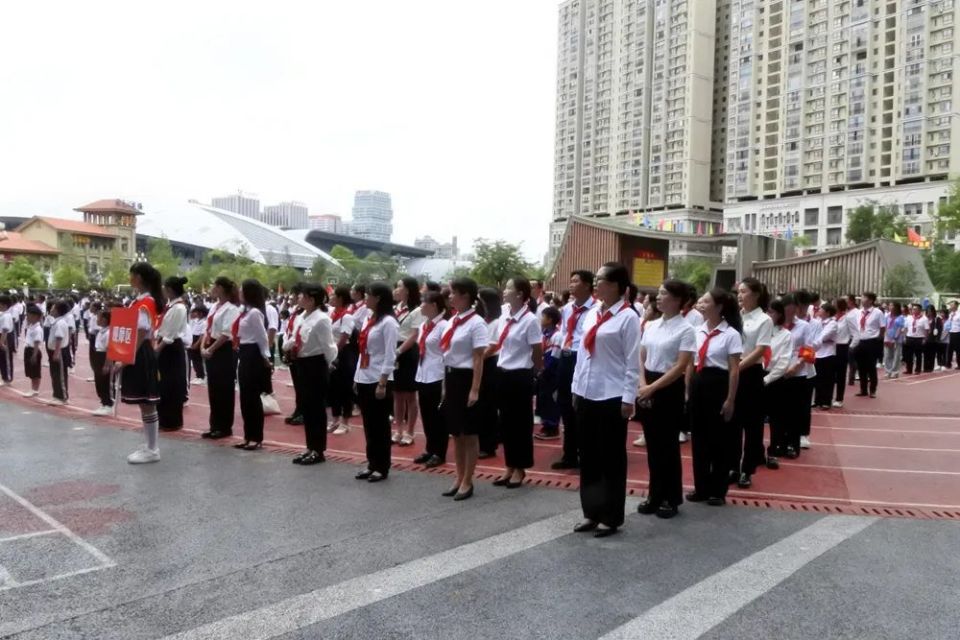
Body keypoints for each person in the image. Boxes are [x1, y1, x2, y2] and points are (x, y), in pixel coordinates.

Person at [570, 262, 640, 537]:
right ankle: (591, 511)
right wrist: (576, 388)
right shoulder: (592, 315)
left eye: (600, 280)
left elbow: (632, 361)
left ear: (615, 286)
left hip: (611, 395)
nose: (595, 284)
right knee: (588, 456)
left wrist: (628, 397)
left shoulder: (628, 317)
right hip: (587, 391)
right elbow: (581, 355)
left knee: (610, 458)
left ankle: (610, 516)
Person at [636, 279, 696, 517]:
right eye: (658, 294)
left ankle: (671, 497)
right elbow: (641, 356)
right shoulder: (651, 326)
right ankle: (654, 494)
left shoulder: (686, 329)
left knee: (668, 446)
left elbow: (681, 365)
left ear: (678, 300)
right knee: (652, 444)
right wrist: (643, 385)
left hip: (669, 387)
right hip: (648, 382)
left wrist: (652, 388)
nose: (657, 298)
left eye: (663, 294)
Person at [686, 288, 742, 507]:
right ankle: (701, 487)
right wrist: (688, 389)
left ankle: (718, 490)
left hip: (719, 384)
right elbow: (690, 362)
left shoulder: (731, 334)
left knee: (719, 439)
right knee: (699, 439)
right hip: (699, 383)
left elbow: (734, 370)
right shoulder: (697, 330)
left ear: (719, 307)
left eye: (706, 301)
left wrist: (730, 399)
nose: (701, 303)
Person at [489, 277, 543, 489]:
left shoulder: (530, 320)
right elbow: (498, 344)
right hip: (502, 373)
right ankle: (509, 466)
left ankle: (520, 468)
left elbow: (537, 350)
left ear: (520, 294)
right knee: (506, 423)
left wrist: (537, 370)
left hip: (520, 375)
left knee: (521, 424)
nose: (505, 291)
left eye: (509, 288)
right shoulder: (505, 316)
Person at [439, 277, 489, 500]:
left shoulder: (477, 323)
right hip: (451, 378)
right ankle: (458, 477)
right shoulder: (453, 320)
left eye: (453, 293)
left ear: (465, 295)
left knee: (469, 433)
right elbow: (447, 355)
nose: (449, 297)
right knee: (455, 433)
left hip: (467, 378)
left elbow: (478, 357)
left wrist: (475, 389)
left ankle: (468, 480)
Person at [546, 270, 597, 470]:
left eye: (576, 281)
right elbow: (566, 333)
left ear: (587, 285)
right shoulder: (567, 308)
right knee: (565, 407)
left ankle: (585, 455)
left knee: (582, 408)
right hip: (567, 358)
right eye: (571, 280)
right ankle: (569, 455)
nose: (572, 284)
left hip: (583, 358)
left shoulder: (596, 309)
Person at [119, 263, 165, 464]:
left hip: (141, 352)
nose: (130, 278)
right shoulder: (141, 301)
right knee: (143, 403)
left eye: (132, 275)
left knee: (147, 403)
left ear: (138, 277)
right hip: (139, 351)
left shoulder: (146, 303)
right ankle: (148, 444)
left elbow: (140, 332)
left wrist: (127, 357)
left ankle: (152, 449)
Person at [354, 283, 399, 483]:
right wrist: (357, 377)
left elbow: (390, 354)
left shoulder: (388, 322)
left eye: (369, 295)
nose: (365, 298)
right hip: (364, 375)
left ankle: (382, 466)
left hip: (378, 378)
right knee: (368, 424)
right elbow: (363, 350)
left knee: (380, 425)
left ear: (379, 297)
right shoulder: (369, 319)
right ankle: (372, 463)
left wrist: (382, 382)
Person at [288, 284, 338, 465]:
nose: (298, 298)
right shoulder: (302, 316)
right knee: (307, 407)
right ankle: (310, 447)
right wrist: (288, 346)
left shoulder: (322, 319)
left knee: (317, 409)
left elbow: (329, 346)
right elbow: (295, 337)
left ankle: (318, 450)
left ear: (311, 298)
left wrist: (330, 364)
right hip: (302, 363)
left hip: (316, 364)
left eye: (301, 295)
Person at [734, 277, 772, 488]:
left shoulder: (764, 319)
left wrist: (736, 368)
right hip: (734, 369)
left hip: (751, 372)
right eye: (738, 292)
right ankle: (732, 465)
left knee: (751, 424)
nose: (740, 295)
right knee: (733, 421)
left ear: (756, 295)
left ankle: (747, 469)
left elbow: (760, 349)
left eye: (744, 291)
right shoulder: (735, 316)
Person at [232, 279, 273, 450]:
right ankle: (247, 436)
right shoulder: (244, 311)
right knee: (245, 397)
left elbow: (262, 337)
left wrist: (266, 357)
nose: (239, 294)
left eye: (242, 291)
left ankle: (256, 437)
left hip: (253, 353)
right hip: (244, 351)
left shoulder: (255, 312)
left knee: (252, 397)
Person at [412, 291, 449, 468]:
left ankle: (439, 452)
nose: (421, 306)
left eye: (424, 303)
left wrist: (445, 381)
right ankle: (430, 448)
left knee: (438, 417)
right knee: (426, 414)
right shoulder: (423, 326)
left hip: (437, 374)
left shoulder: (444, 326)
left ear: (434, 305)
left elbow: (446, 353)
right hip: (423, 373)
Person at [201, 277, 241, 439]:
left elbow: (226, 334)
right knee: (213, 388)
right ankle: (214, 424)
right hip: (211, 346)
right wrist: (203, 346)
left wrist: (210, 348)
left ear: (221, 289)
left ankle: (224, 426)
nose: (212, 288)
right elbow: (208, 329)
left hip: (223, 350)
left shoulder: (231, 309)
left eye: (215, 286)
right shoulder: (214, 307)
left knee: (224, 388)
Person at [392, 277, 425, 446]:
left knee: (410, 395)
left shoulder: (417, 310)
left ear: (408, 290)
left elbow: (414, 335)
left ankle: (410, 431)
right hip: (394, 350)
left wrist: (399, 351)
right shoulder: (395, 308)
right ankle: (398, 430)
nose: (396, 290)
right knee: (397, 394)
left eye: (399, 287)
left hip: (408, 351)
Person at [155, 276, 190, 431]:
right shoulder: (170, 306)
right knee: (163, 383)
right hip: (164, 345)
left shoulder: (179, 308)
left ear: (169, 290)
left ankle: (172, 421)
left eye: (164, 287)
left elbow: (170, 334)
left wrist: (158, 349)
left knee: (172, 384)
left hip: (171, 348)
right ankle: (163, 418)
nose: (162, 290)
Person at [763, 298, 793, 469]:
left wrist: (767, 379)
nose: (769, 315)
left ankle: (773, 451)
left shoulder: (786, 335)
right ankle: (754, 451)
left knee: (776, 419)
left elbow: (783, 362)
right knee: (754, 418)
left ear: (779, 314)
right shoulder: (760, 331)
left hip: (774, 379)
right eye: (767, 311)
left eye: (772, 312)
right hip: (756, 375)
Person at [477, 287, 503, 459]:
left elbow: (492, 346)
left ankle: (489, 445)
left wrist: (477, 360)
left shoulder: (496, 322)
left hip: (490, 364)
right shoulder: (484, 320)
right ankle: (484, 441)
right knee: (482, 405)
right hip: (482, 362)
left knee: (488, 405)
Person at [327, 286, 357, 435]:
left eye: (333, 295)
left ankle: (345, 422)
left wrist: (334, 353)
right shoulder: (332, 314)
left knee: (345, 388)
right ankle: (335, 419)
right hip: (333, 353)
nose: (330, 298)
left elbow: (344, 338)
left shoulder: (347, 316)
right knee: (333, 388)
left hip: (344, 355)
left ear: (340, 298)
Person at [536, 306, 562, 445]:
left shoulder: (557, 336)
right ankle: (546, 424)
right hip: (543, 370)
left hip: (551, 372)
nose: (541, 319)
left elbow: (555, 356)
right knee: (543, 398)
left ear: (550, 320)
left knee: (551, 399)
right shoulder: (544, 333)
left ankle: (553, 427)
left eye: (543, 317)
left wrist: (545, 368)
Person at [854, 292, 884, 398]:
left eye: (864, 297)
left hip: (872, 341)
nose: (862, 299)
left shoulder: (878, 312)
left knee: (871, 367)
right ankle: (863, 389)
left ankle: (873, 390)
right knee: (861, 367)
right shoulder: (859, 312)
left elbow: (882, 327)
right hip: (860, 341)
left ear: (871, 300)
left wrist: (878, 338)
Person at [813, 303, 839, 410]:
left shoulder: (832, 323)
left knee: (827, 378)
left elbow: (823, 336)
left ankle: (826, 401)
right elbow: (813, 334)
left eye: (822, 309)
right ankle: (817, 400)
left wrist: (815, 339)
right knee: (817, 377)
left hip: (828, 353)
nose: (819, 310)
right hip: (817, 352)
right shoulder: (818, 322)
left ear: (828, 313)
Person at [832, 297, 856, 409]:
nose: (832, 304)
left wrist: (850, 346)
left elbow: (856, 334)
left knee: (841, 374)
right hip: (831, 347)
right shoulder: (832, 318)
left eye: (834, 303)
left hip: (842, 346)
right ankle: (828, 396)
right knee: (830, 374)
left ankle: (839, 398)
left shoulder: (847, 318)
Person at [46, 300, 70, 405]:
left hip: (58, 352)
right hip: (54, 351)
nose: (51, 309)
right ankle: (57, 395)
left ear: (57, 311)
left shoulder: (60, 323)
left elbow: (59, 338)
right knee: (55, 374)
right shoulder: (56, 321)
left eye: (53, 308)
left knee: (60, 374)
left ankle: (62, 397)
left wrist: (56, 353)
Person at [91, 308, 114, 415]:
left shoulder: (109, 332)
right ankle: (104, 402)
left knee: (106, 381)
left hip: (104, 357)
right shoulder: (101, 331)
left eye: (99, 317)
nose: (97, 319)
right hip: (98, 355)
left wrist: (107, 364)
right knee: (99, 381)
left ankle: (109, 404)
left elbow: (110, 349)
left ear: (105, 319)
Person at [22, 305, 43, 397]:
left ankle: (35, 389)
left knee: (35, 371)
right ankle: (33, 388)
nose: (27, 317)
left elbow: (37, 342)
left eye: (29, 315)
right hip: (28, 350)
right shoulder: (31, 326)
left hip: (33, 350)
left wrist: (34, 355)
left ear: (35, 317)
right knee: (30, 370)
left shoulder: (37, 329)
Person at [903, 303, 928, 375]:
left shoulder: (924, 319)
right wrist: (904, 337)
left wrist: (924, 339)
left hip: (919, 338)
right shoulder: (909, 318)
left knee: (918, 355)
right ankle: (909, 369)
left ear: (919, 310)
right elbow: (905, 328)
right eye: (913, 309)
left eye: (915, 309)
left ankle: (918, 369)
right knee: (909, 355)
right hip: (909, 337)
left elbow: (926, 330)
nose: (913, 310)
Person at [882, 302, 905, 379]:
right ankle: (888, 371)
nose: (890, 306)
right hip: (888, 337)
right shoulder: (887, 316)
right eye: (889, 305)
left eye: (892, 305)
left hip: (897, 339)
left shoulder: (900, 317)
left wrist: (895, 337)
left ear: (896, 307)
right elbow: (885, 326)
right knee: (887, 355)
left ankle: (895, 371)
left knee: (896, 355)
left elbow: (900, 328)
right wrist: (886, 336)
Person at [188, 306, 207, 384]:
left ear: (202, 313)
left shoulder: (204, 322)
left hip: (198, 339)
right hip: (193, 338)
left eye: (197, 312)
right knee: (193, 358)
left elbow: (202, 335)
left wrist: (197, 344)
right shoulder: (195, 321)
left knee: (197, 359)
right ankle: (198, 375)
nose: (196, 314)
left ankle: (201, 376)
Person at [0, 295, 14, 385]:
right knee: (2, 358)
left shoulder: (6, 316)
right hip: (2, 336)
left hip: (5, 338)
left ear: (4, 305)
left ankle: (7, 378)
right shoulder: (3, 314)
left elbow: (5, 330)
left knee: (6, 358)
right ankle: (4, 377)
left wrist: (1, 342)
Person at [924, 306, 942, 373]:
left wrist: (937, 339)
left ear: (933, 311)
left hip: (933, 339)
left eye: (930, 311)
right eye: (928, 311)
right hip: (925, 338)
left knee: (932, 354)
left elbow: (939, 330)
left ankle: (930, 367)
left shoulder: (937, 319)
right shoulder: (925, 319)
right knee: (926, 354)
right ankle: (925, 367)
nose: (929, 313)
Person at [948, 301, 960, 369]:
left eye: (952, 305)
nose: (950, 306)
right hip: (950, 332)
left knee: (958, 350)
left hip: (957, 333)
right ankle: (948, 364)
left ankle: (959, 364)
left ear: (956, 306)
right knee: (949, 349)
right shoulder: (951, 314)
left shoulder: (959, 314)